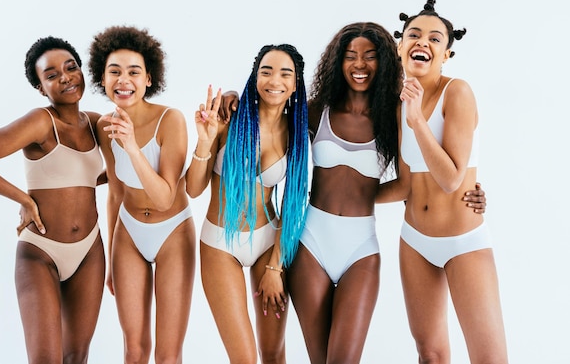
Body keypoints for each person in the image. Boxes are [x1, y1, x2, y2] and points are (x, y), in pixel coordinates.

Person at [217, 24, 487, 364]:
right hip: (310, 241)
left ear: (385, 62)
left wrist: (471, 190)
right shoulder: (316, 111)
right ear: (337, 62)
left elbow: (408, 183)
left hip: (361, 247)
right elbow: (271, 107)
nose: (359, 64)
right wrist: (232, 95)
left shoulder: (396, 114)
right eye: (350, 56)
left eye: (370, 57)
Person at [0, 36, 106, 364]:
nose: (65, 77)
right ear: (40, 88)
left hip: (90, 251)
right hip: (41, 253)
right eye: (51, 75)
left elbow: (108, 175)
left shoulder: (94, 123)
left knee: (76, 357)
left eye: (71, 67)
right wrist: (23, 198)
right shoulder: (40, 121)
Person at [394, 0, 508, 363]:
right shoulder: (398, 100)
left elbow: (451, 178)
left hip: (464, 241)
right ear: (400, 46)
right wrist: (335, 201)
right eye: (413, 34)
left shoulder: (457, 91)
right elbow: (404, 185)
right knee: (430, 354)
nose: (422, 42)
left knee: (489, 359)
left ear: (446, 54)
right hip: (414, 241)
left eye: (434, 38)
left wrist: (417, 121)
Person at [186, 44, 309, 364]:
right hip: (219, 244)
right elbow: (194, 188)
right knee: (243, 358)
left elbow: (293, 206)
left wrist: (276, 267)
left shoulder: (296, 133)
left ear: (295, 84)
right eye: (266, 71)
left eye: (285, 73)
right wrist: (204, 140)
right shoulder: (228, 119)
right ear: (255, 77)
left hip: (270, 242)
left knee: (273, 353)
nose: (274, 80)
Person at [88, 26, 195, 364]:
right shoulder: (105, 127)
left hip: (173, 232)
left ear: (149, 79)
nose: (124, 80)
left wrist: (132, 146)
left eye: (134, 72)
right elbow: (115, 193)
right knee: (134, 350)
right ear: (102, 79)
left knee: (167, 354)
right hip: (128, 234)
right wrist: (109, 262)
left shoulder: (171, 120)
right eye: (114, 71)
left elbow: (165, 196)